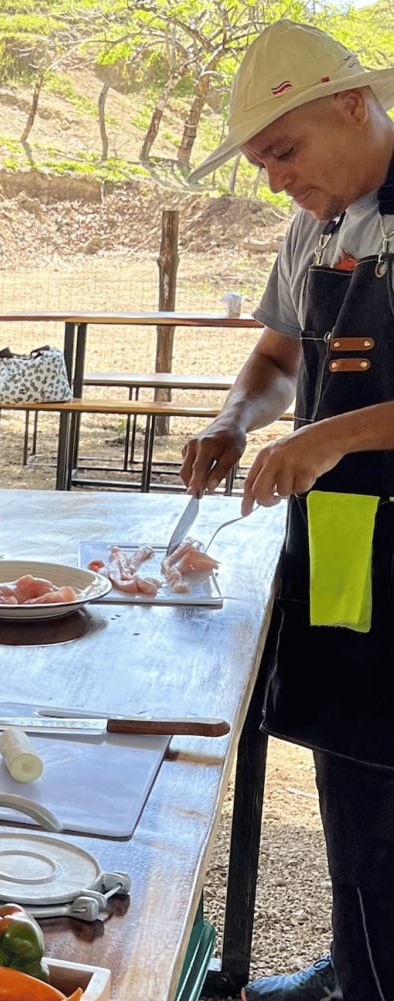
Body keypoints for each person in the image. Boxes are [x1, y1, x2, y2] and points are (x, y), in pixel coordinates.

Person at [179, 21, 394, 1001]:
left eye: (284, 151)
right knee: (356, 771)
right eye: (263, 161)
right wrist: (234, 420)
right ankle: (356, 969)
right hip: (348, 545)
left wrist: (333, 435)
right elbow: (277, 360)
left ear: (355, 104)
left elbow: (331, 418)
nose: (276, 180)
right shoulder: (317, 227)